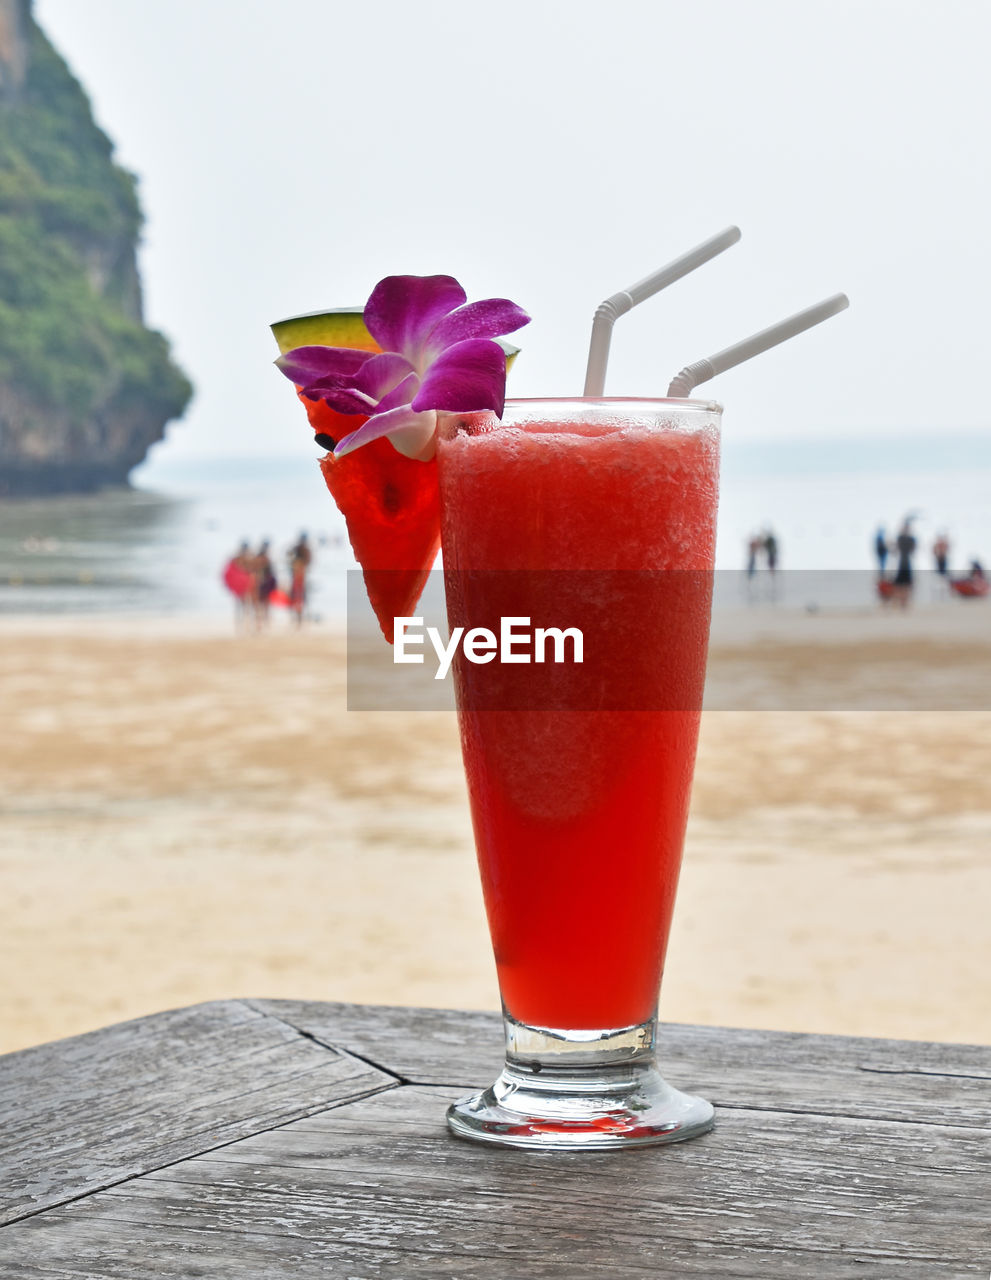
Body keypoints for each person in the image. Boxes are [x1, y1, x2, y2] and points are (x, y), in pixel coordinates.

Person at [891, 518, 917, 609]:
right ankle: (901, 603)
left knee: (903, 585)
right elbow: (913, 551)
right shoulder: (906, 538)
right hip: (904, 563)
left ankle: (903, 603)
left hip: (904, 563)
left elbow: (894, 550)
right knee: (902, 585)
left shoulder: (904, 538)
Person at [287, 532, 312, 627]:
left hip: (299, 578)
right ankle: (298, 619)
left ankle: (299, 620)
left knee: (300, 598)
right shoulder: (301, 549)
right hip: (298, 578)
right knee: (299, 598)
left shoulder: (300, 549)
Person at [254, 540, 277, 626]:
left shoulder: (266, 559)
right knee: (261, 604)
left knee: (264, 604)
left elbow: (271, 573)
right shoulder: (263, 559)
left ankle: (264, 621)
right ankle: (261, 621)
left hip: (265, 583)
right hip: (261, 583)